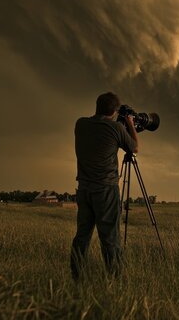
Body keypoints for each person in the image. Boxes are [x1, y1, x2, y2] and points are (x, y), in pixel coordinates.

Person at [70, 92, 138, 280]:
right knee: (109, 238)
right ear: (115, 111)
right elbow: (134, 147)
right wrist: (130, 123)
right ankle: (115, 279)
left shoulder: (80, 124)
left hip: (84, 189)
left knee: (82, 236)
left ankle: (77, 276)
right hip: (106, 190)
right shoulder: (116, 127)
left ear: (97, 106)